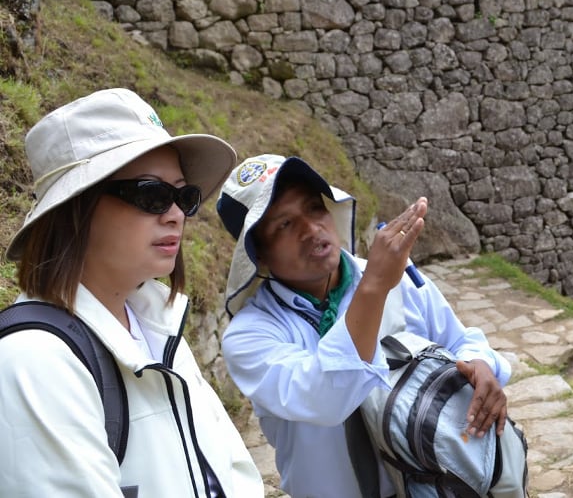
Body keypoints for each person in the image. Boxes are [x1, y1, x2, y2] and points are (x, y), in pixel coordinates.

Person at [0, 88, 264, 497]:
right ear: (75, 210)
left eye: (184, 196)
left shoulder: (157, 328)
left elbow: (235, 474)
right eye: (152, 195)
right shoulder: (34, 363)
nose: (176, 214)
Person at [217, 153, 513, 498]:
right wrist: (373, 286)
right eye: (284, 224)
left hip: (430, 486)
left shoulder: (398, 277)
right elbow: (326, 397)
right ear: (259, 255)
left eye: (315, 207)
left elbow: (459, 339)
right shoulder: (250, 335)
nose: (311, 229)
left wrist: (480, 364)